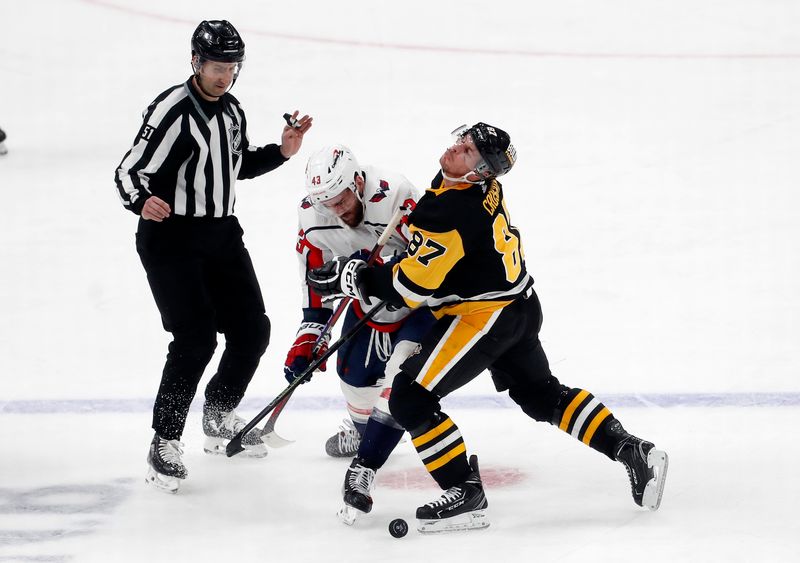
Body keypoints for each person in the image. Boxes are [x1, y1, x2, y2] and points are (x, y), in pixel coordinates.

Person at [307, 122, 669, 532]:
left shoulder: (447, 211)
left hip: (485, 318)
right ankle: (632, 449)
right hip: (519, 304)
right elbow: (437, 258)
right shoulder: (473, 189)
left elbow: (410, 288)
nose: (457, 147)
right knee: (539, 394)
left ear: (478, 172)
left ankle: (464, 491)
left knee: (409, 397)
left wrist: (356, 277)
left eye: (468, 150)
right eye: (463, 140)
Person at [114, 20, 312, 494]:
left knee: (252, 328)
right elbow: (127, 170)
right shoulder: (171, 111)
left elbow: (236, 163)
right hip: (170, 240)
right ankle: (164, 440)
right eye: (216, 67)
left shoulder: (232, 111)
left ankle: (219, 412)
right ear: (195, 62)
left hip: (222, 235)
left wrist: (282, 152)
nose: (224, 77)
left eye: (231, 68)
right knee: (195, 338)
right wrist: (142, 201)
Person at [285, 144, 434, 523]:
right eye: (327, 203)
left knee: (399, 383)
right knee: (352, 374)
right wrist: (309, 333)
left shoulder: (397, 194)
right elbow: (315, 276)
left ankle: (367, 460)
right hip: (368, 306)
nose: (336, 209)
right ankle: (363, 429)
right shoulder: (312, 214)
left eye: (341, 198)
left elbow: (429, 260)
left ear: (356, 180)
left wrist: (368, 270)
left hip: (421, 304)